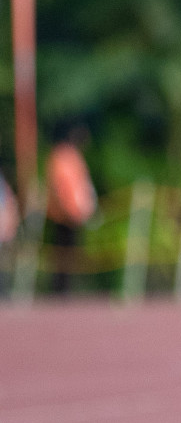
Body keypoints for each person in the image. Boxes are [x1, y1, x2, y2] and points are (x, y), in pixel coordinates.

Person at [45, 123, 97, 294]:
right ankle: (60, 290)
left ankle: (64, 288)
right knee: (63, 252)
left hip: (72, 213)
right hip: (65, 214)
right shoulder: (64, 157)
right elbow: (63, 187)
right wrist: (71, 210)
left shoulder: (72, 157)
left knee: (70, 253)